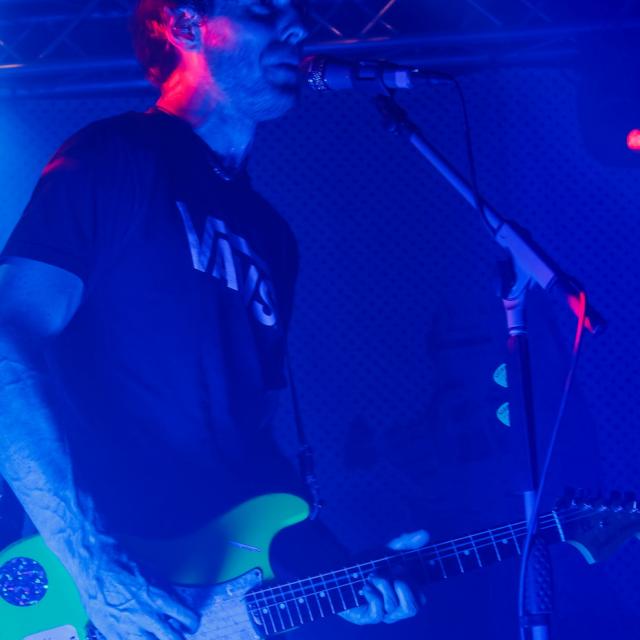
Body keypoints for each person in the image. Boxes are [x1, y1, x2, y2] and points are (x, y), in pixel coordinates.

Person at [0, 1, 426, 638]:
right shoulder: (115, 157)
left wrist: (330, 569)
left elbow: (250, 441)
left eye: (298, 12)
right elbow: (7, 342)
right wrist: (90, 562)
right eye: (264, 8)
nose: (298, 27)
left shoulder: (271, 236)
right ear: (186, 25)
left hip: (203, 593)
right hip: (96, 593)